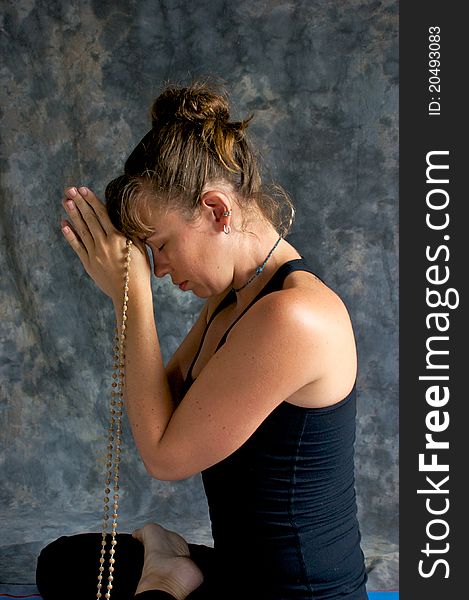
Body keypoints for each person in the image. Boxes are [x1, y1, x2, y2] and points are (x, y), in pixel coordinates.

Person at [36, 79, 368, 599]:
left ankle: (168, 573)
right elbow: (159, 404)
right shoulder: (232, 297)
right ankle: (170, 567)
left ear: (216, 211)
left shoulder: (296, 316)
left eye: (160, 245)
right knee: (63, 564)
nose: (160, 268)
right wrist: (129, 290)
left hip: (295, 595)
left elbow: (166, 458)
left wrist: (133, 296)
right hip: (239, 574)